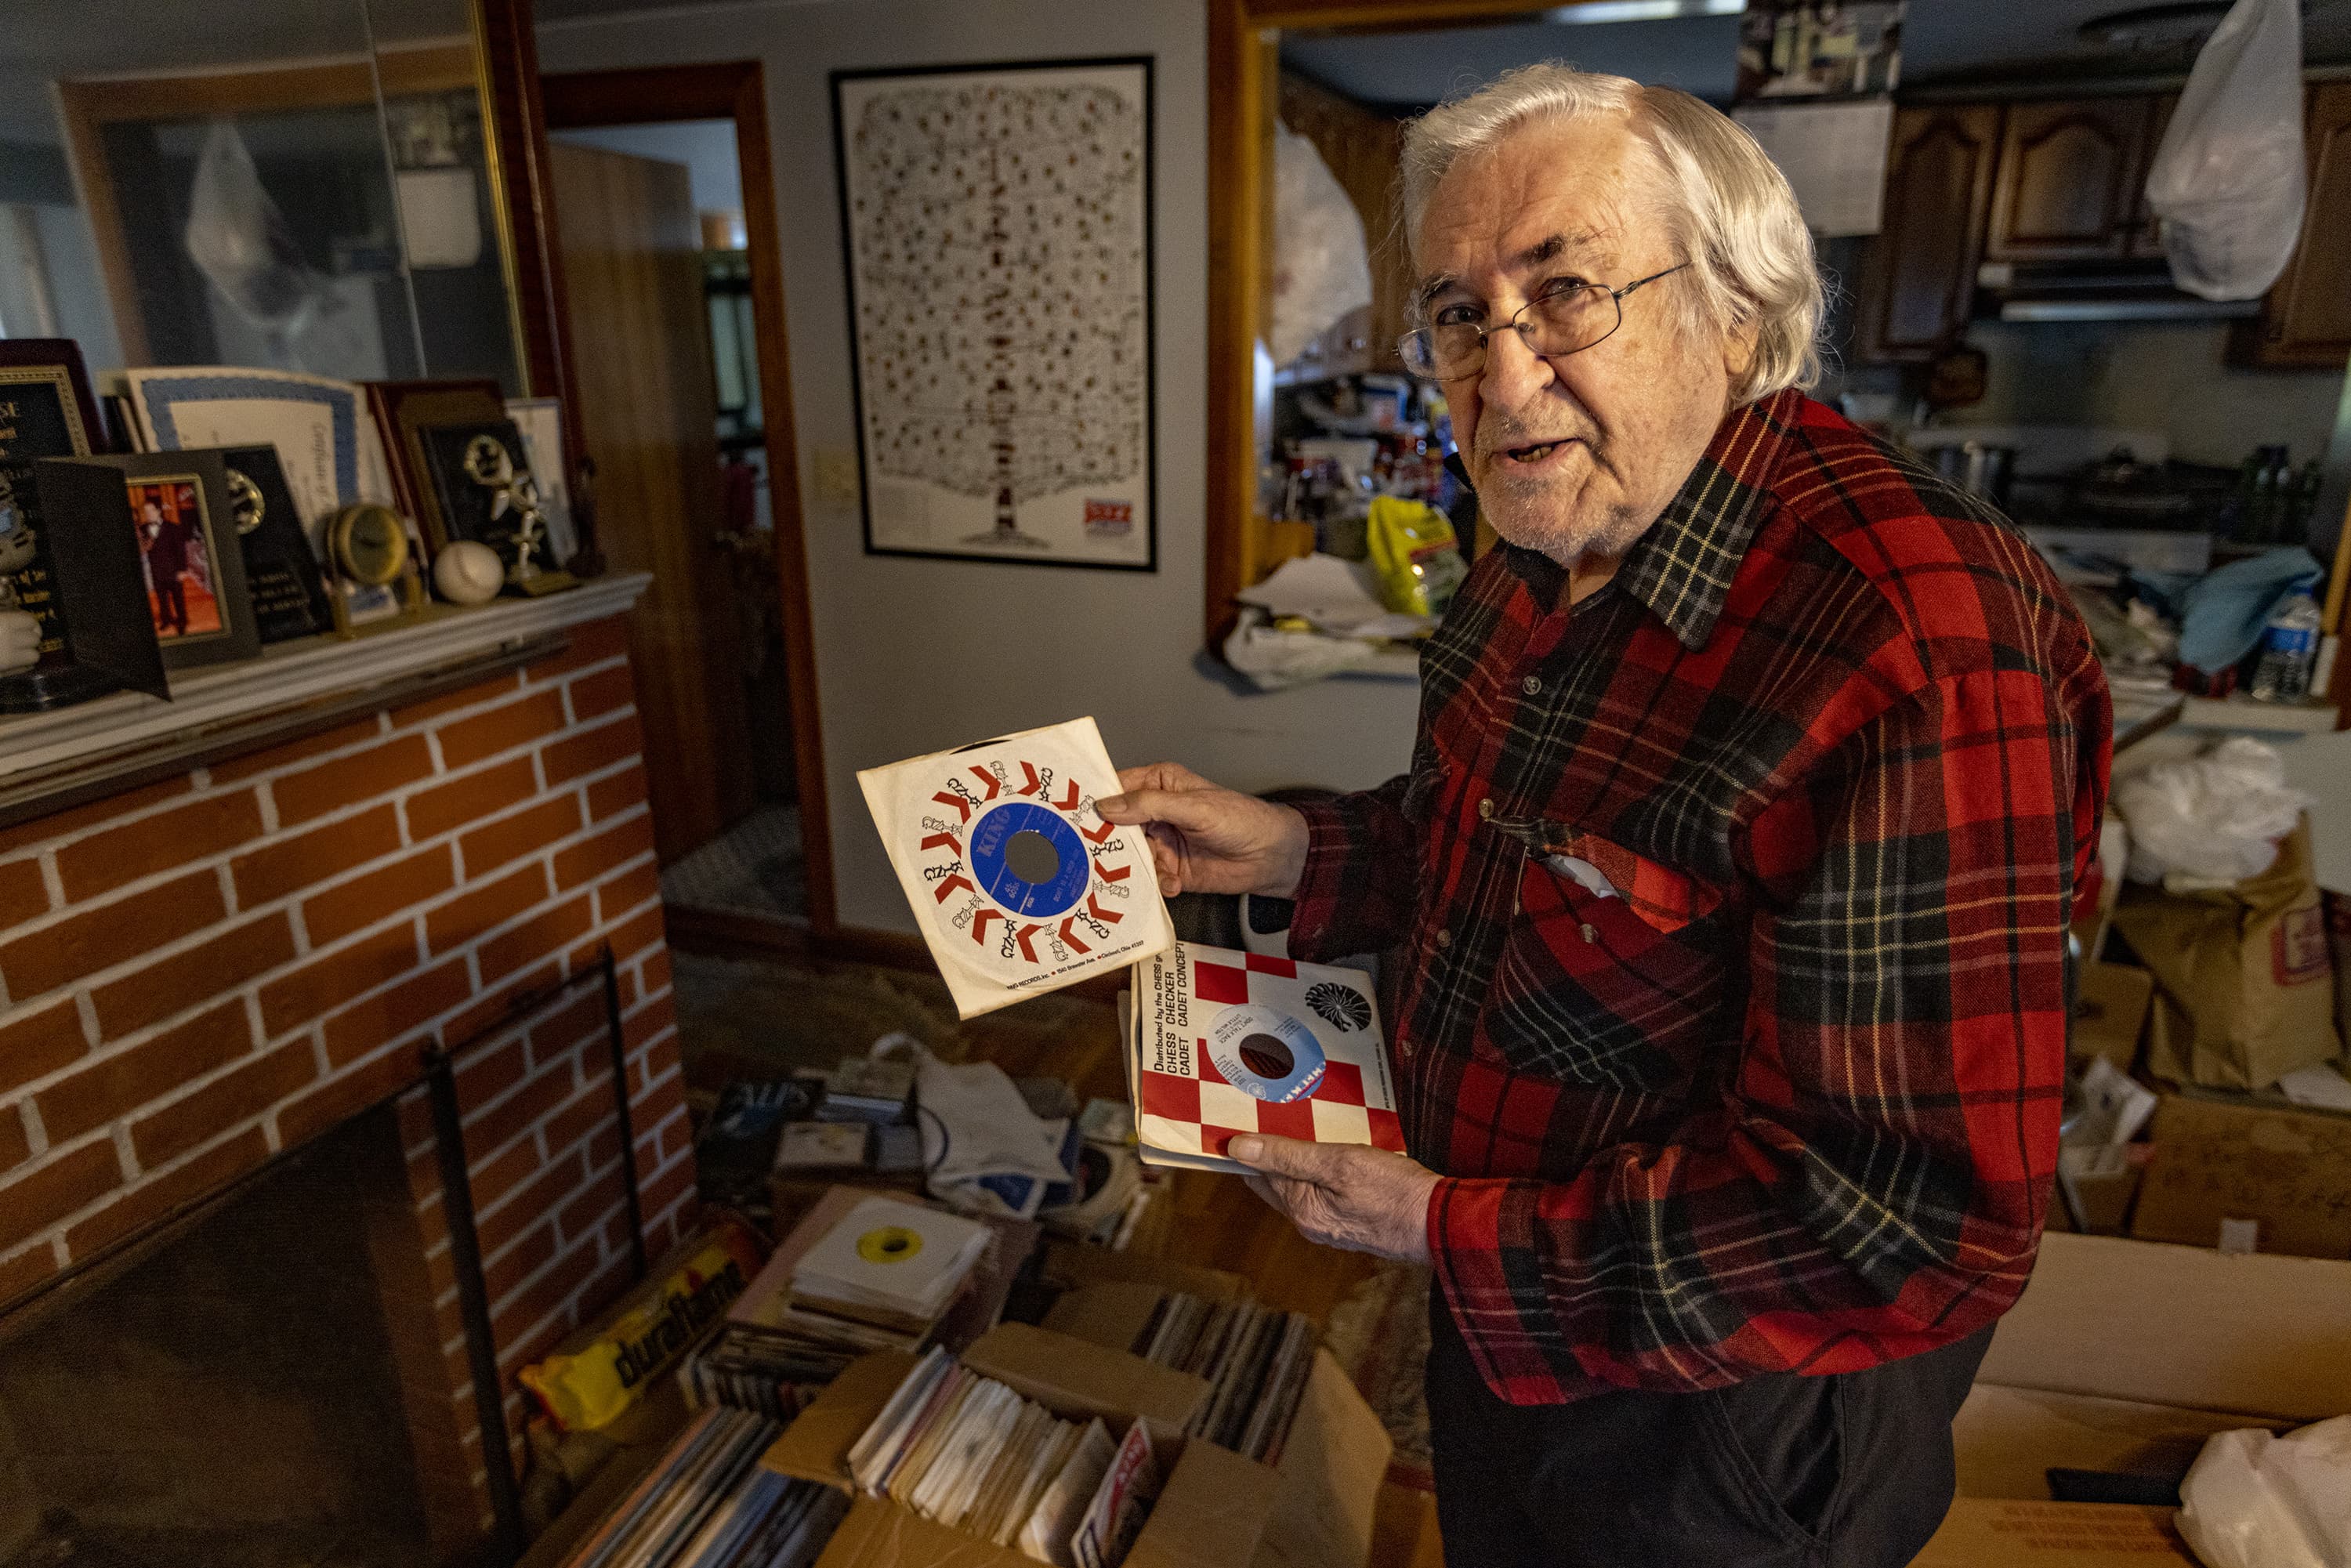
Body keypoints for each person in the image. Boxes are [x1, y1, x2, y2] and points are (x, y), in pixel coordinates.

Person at [1100, 65, 2110, 1568]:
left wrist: (1439, 1230)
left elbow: (1910, 1229)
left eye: (1565, 292)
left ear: (1737, 316)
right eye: (1458, 312)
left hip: (1730, 1430)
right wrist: (1313, 850)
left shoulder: (1912, 637)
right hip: (1510, 1308)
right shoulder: (1542, 534)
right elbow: (1512, 847)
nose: (1501, 381)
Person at [139, 496, 190, 636]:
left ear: (159, 511)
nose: (149, 514)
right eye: (146, 511)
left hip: (173, 571)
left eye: (151, 511)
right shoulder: (143, 528)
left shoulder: (173, 527)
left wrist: (182, 570)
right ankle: (166, 620)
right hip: (156, 572)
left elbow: (181, 551)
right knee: (162, 599)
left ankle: (182, 621)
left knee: (178, 599)